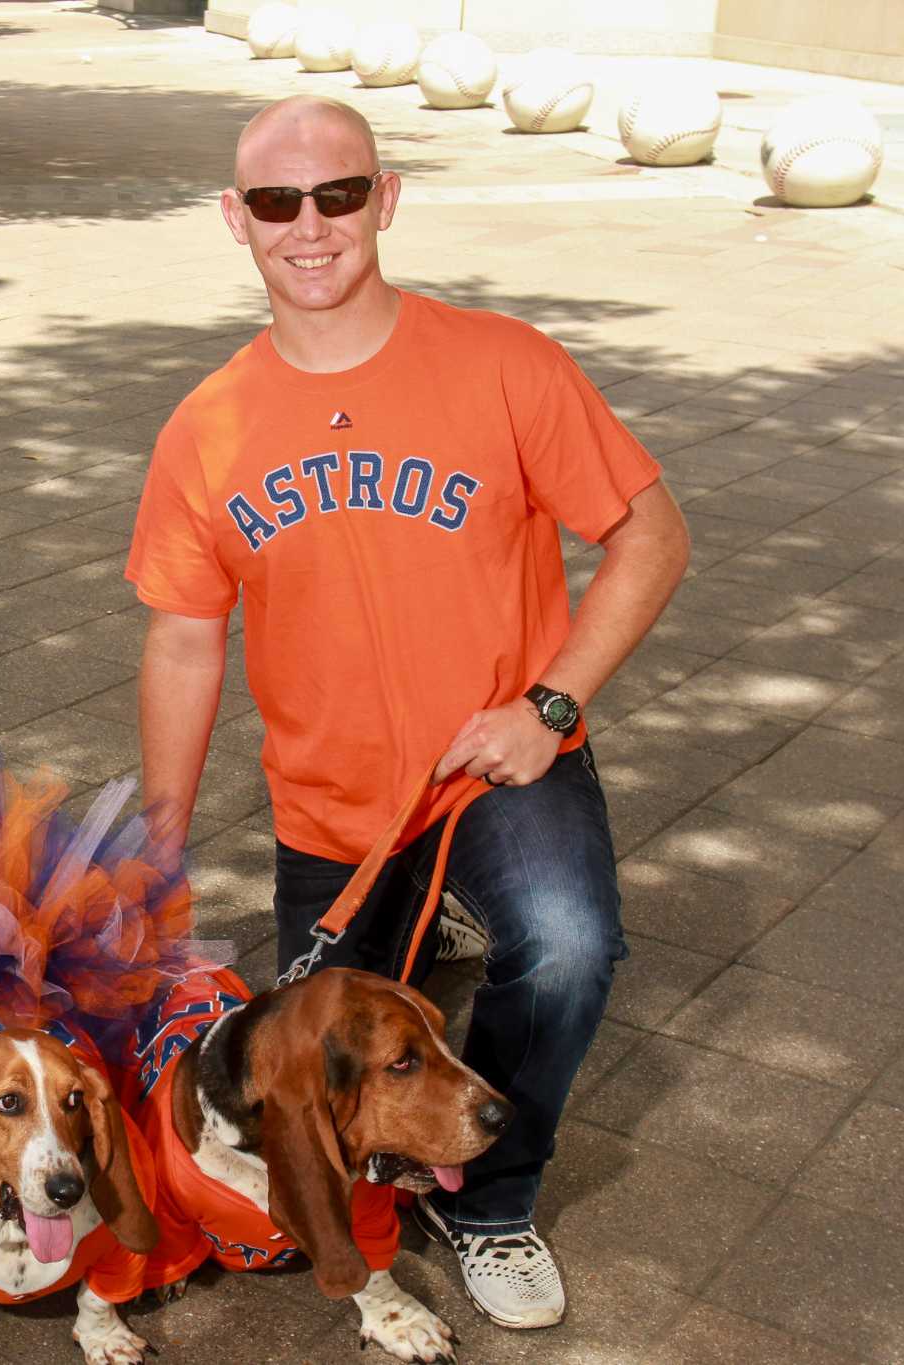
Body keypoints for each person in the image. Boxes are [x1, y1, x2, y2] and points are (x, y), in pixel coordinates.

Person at [125, 96, 690, 1330]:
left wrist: (549, 702)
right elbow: (180, 638)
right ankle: (378, 1176)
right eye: (276, 203)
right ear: (236, 220)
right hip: (329, 807)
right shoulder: (208, 426)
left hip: (496, 765)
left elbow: (650, 531)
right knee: (304, 1059)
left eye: (337, 193)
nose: (308, 226)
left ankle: (487, 1200)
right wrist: (157, 846)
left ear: (384, 198)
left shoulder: (501, 364)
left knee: (570, 944)